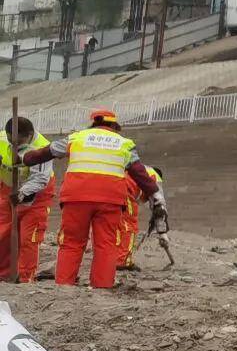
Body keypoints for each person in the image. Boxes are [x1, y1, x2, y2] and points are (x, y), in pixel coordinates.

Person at [26, 109, 166, 289]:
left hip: (76, 197)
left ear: (93, 123)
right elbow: (139, 173)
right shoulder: (124, 143)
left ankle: (64, 285)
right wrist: (156, 195)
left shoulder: (77, 138)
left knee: (71, 242)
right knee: (106, 244)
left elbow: (45, 153)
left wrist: (24, 158)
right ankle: (102, 287)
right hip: (111, 200)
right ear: (114, 126)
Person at [2, 116, 54, 282]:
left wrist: (22, 193)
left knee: (28, 238)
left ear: (30, 134)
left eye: (19, 141)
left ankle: (26, 278)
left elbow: (40, 179)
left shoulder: (42, 148)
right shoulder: (1, 139)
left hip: (37, 195)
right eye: (11, 141)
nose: (14, 145)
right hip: (6, 190)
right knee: (3, 234)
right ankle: (4, 274)